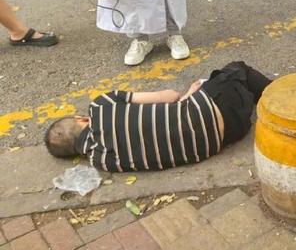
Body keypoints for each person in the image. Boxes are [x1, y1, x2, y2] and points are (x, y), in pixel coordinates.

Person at [43, 61, 271, 170]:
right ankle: (288, 95)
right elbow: (169, 96)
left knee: (237, 88)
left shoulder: (102, 162)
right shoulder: (100, 106)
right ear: (81, 120)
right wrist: (191, 94)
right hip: (218, 106)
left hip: (229, 135)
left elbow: (158, 139)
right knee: (237, 69)